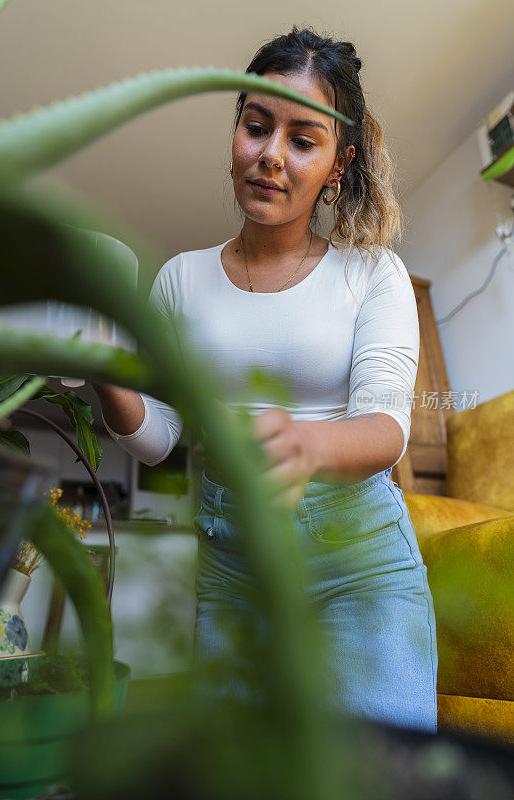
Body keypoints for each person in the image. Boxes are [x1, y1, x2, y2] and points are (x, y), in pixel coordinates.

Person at [93, 26, 438, 735]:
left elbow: (387, 427)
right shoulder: (179, 279)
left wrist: (305, 447)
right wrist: (104, 372)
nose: (270, 156)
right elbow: (164, 438)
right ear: (237, 131)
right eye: (256, 127)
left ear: (336, 165)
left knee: (381, 772)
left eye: (302, 140)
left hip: (358, 561)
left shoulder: (372, 273)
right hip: (232, 562)